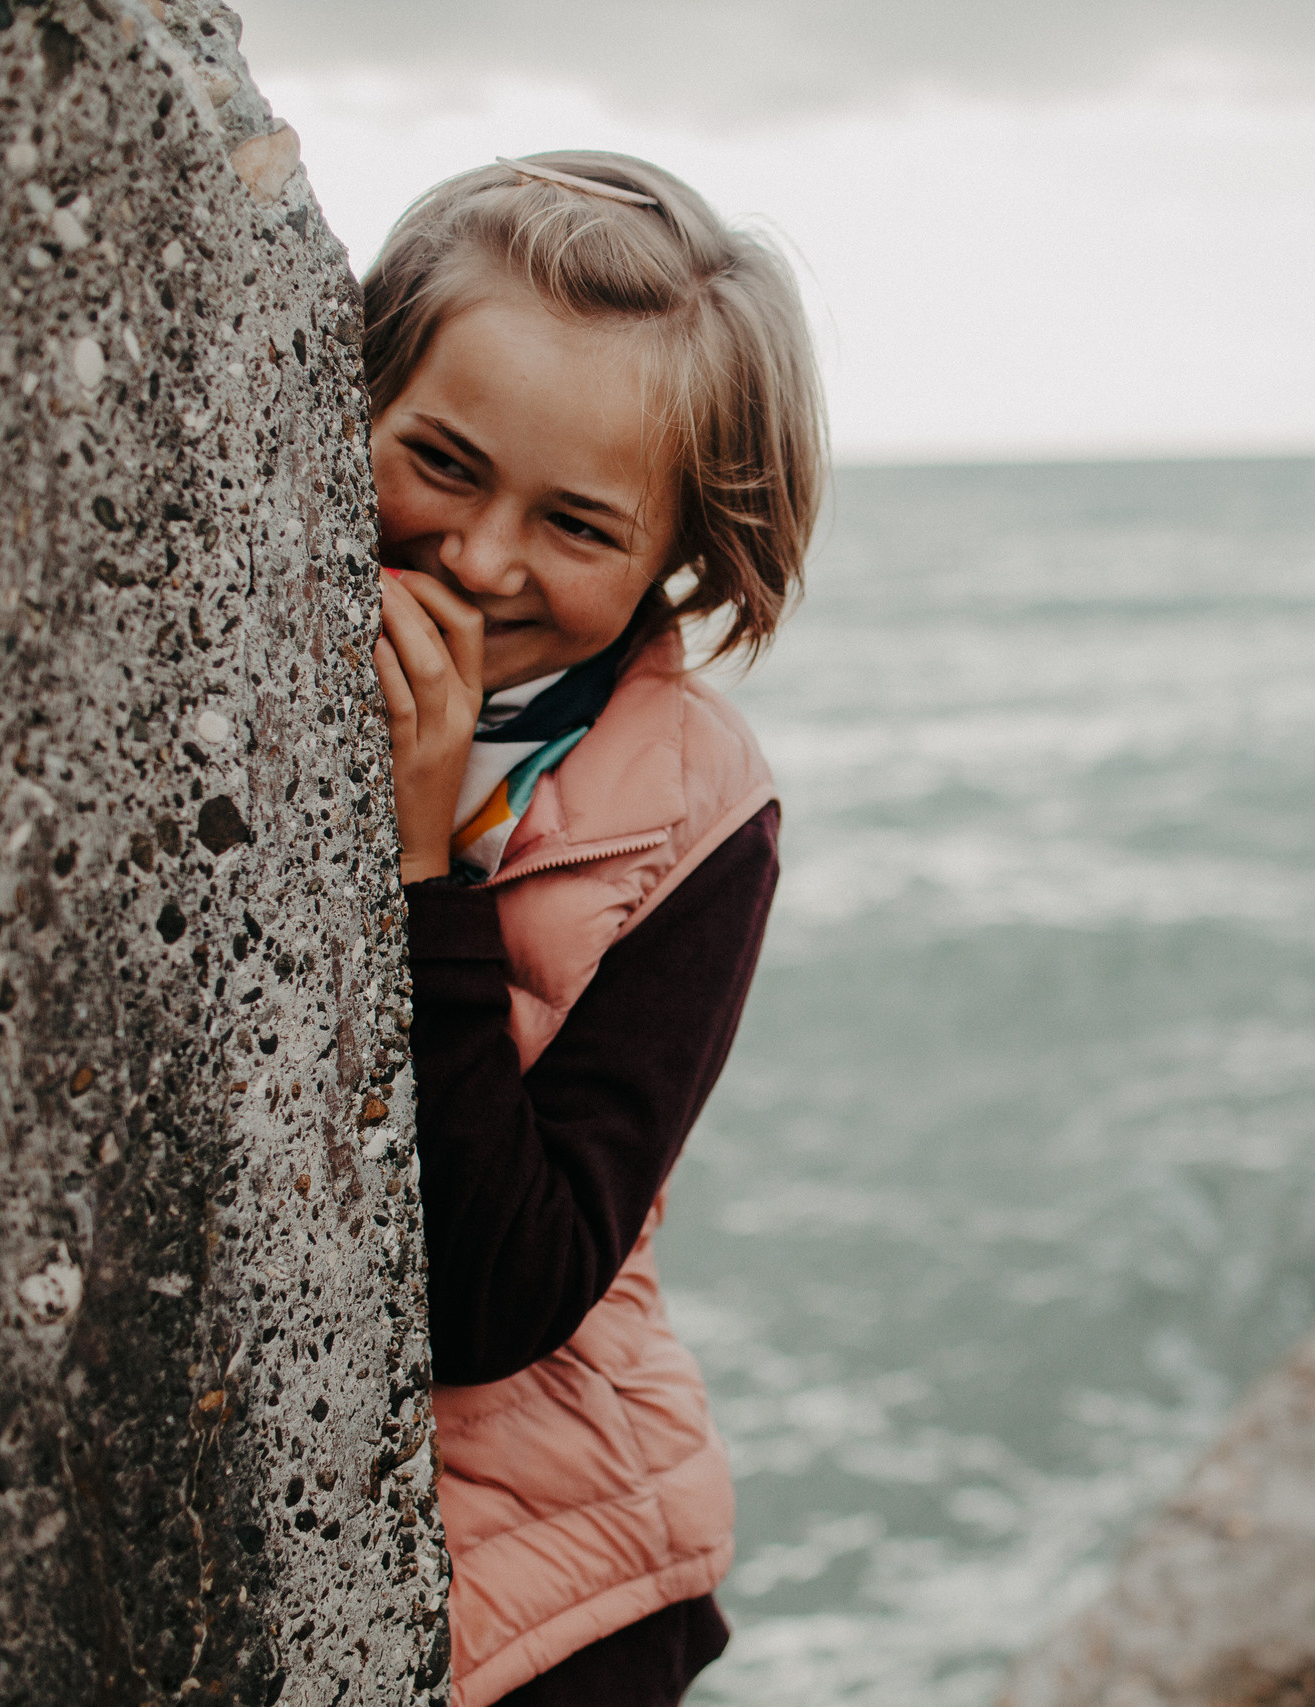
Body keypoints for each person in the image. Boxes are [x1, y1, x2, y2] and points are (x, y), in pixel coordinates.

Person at [362, 151, 822, 1707]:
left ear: (681, 552)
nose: (482, 559)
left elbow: (500, 1298)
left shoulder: (704, 815)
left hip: (575, 1581)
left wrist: (429, 868)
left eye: (575, 524)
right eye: (438, 459)